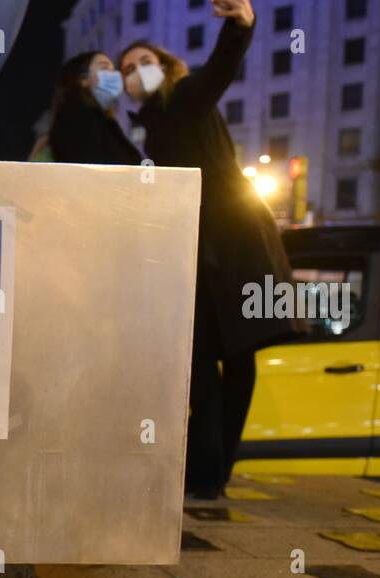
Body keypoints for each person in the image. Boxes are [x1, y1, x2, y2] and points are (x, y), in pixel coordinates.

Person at [119, 0, 295, 499]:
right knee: (203, 358)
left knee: (234, 354)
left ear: (167, 66)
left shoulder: (187, 96)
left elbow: (219, 70)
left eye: (143, 63)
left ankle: (209, 475)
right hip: (201, 249)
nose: (134, 73)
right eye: (128, 69)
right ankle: (207, 473)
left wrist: (241, 24)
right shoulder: (154, 121)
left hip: (235, 243)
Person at [38, 50, 142, 165]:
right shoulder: (77, 119)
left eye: (114, 70)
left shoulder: (102, 120)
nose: (115, 75)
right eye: (105, 68)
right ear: (83, 79)